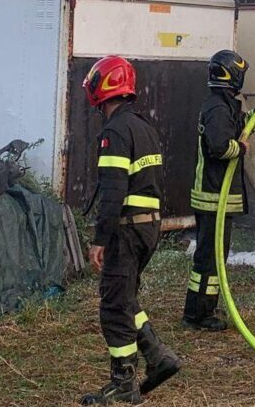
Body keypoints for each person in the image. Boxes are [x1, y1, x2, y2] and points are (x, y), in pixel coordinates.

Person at [80, 55, 181, 405]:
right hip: (148, 227)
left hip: (125, 229)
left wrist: (99, 240)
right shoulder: (143, 127)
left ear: (103, 85)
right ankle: (157, 357)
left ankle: (124, 383)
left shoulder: (115, 132)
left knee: (112, 305)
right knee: (125, 298)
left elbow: (112, 192)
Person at [182, 49, 255, 331]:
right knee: (209, 258)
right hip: (213, 196)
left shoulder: (224, 104)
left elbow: (242, 127)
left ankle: (202, 309)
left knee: (212, 257)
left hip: (217, 196)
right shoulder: (218, 108)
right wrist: (240, 148)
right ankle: (198, 315)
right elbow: (220, 146)